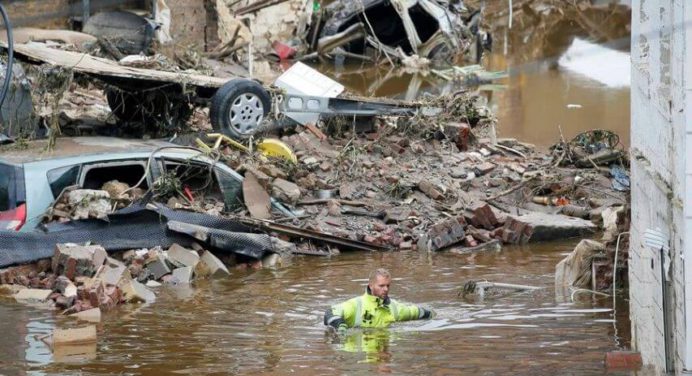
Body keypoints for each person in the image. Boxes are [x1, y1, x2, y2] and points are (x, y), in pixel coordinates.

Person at [324, 268, 433, 332]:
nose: (386, 289)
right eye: (381, 286)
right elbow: (329, 313)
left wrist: (431, 314)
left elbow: (415, 312)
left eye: (388, 286)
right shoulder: (356, 305)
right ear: (371, 286)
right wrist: (340, 325)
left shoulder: (394, 308)